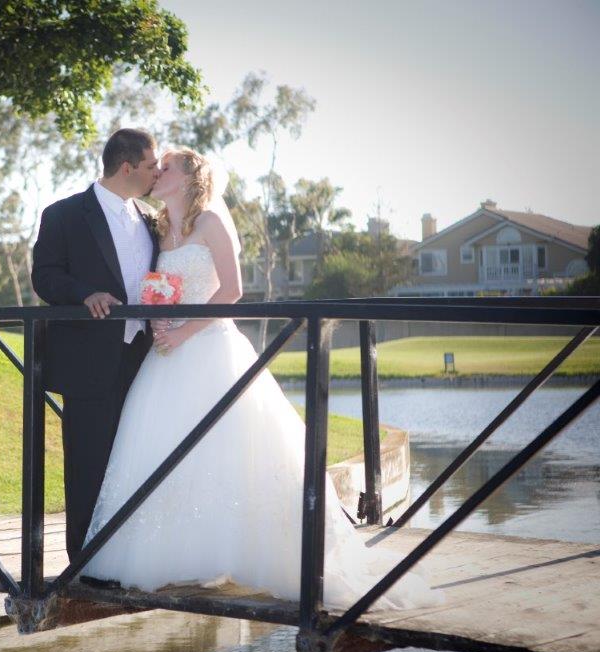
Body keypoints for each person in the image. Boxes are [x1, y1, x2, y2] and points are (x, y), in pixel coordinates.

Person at [80, 148, 441, 610]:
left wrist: (186, 331)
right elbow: (155, 290)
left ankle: (252, 554)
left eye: (166, 166)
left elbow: (232, 290)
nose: (157, 172)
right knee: (162, 451)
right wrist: (157, 324)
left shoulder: (209, 221)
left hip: (209, 349)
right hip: (164, 358)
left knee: (228, 448)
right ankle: (170, 558)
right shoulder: (157, 228)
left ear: (191, 178)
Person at [31, 128, 161, 561]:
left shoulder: (150, 220)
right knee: (88, 463)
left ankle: (127, 555)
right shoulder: (64, 215)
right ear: (127, 167)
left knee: (135, 459)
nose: (156, 173)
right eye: (150, 165)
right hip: (88, 360)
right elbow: (45, 276)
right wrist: (84, 293)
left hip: (143, 358)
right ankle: (83, 564)